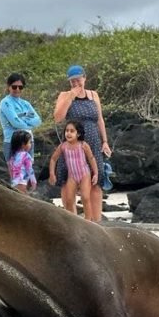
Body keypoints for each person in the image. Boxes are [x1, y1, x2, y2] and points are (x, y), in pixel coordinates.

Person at [53, 65, 112, 222]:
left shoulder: (93, 95)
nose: (75, 83)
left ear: (84, 78)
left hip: (92, 141)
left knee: (95, 180)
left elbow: (99, 119)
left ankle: (96, 221)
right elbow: (58, 117)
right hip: (73, 143)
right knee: (68, 181)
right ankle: (70, 219)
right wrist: (70, 96)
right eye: (72, 81)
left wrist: (105, 141)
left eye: (78, 79)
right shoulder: (64, 95)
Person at [49, 120, 98, 220]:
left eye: (72, 131)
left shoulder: (83, 145)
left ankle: (88, 220)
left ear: (78, 133)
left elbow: (91, 158)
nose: (68, 133)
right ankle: (73, 220)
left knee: (85, 197)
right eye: (67, 131)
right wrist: (52, 174)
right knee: (69, 199)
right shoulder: (63, 146)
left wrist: (96, 173)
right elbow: (53, 159)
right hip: (72, 176)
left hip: (84, 174)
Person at [0, 72, 41, 163]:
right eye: (14, 87)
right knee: (16, 174)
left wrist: (21, 118)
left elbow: (38, 120)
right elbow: (15, 122)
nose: (17, 89)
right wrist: (28, 119)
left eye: (20, 87)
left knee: (28, 172)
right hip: (12, 141)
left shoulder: (26, 103)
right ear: (8, 86)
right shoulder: (5, 102)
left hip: (29, 142)